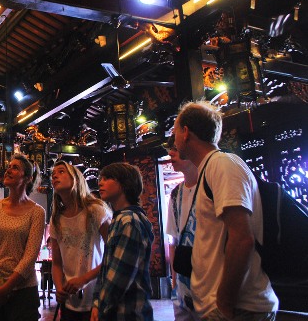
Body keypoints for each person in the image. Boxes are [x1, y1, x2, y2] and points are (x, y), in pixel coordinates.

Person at [173, 101, 278, 320]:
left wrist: (224, 304)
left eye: (174, 130)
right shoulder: (208, 169)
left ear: (185, 133)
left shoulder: (222, 164)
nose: (173, 139)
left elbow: (242, 239)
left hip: (238, 308)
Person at [0, 153, 46, 321]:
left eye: (15, 168)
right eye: (9, 167)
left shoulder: (37, 212)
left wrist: (6, 288)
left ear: (28, 178)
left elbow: (30, 256)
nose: (8, 170)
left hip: (22, 290)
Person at [49, 160, 112, 321]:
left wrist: (84, 279)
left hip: (97, 296)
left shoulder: (95, 210)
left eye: (61, 171)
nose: (55, 175)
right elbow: (56, 263)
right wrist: (58, 287)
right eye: (53, 173)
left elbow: (113, 254)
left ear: (75, 178)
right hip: (69, 299)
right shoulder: (56, 219)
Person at [92, 162, 154, 321]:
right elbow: (107, 267)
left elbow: (120, 276)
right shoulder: (119, 219)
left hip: (128, 313)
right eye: (101, 178)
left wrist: (100, 306)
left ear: (124, 184)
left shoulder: (129, 221)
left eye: (107, 178)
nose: (100, 183)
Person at [164, 135, 201, 321]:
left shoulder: (211, 185)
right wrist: (174, 280)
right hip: (184, 288)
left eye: (176, 149)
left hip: (211, 285)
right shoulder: (176, 193)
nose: (171, 153)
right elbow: (174, 241)